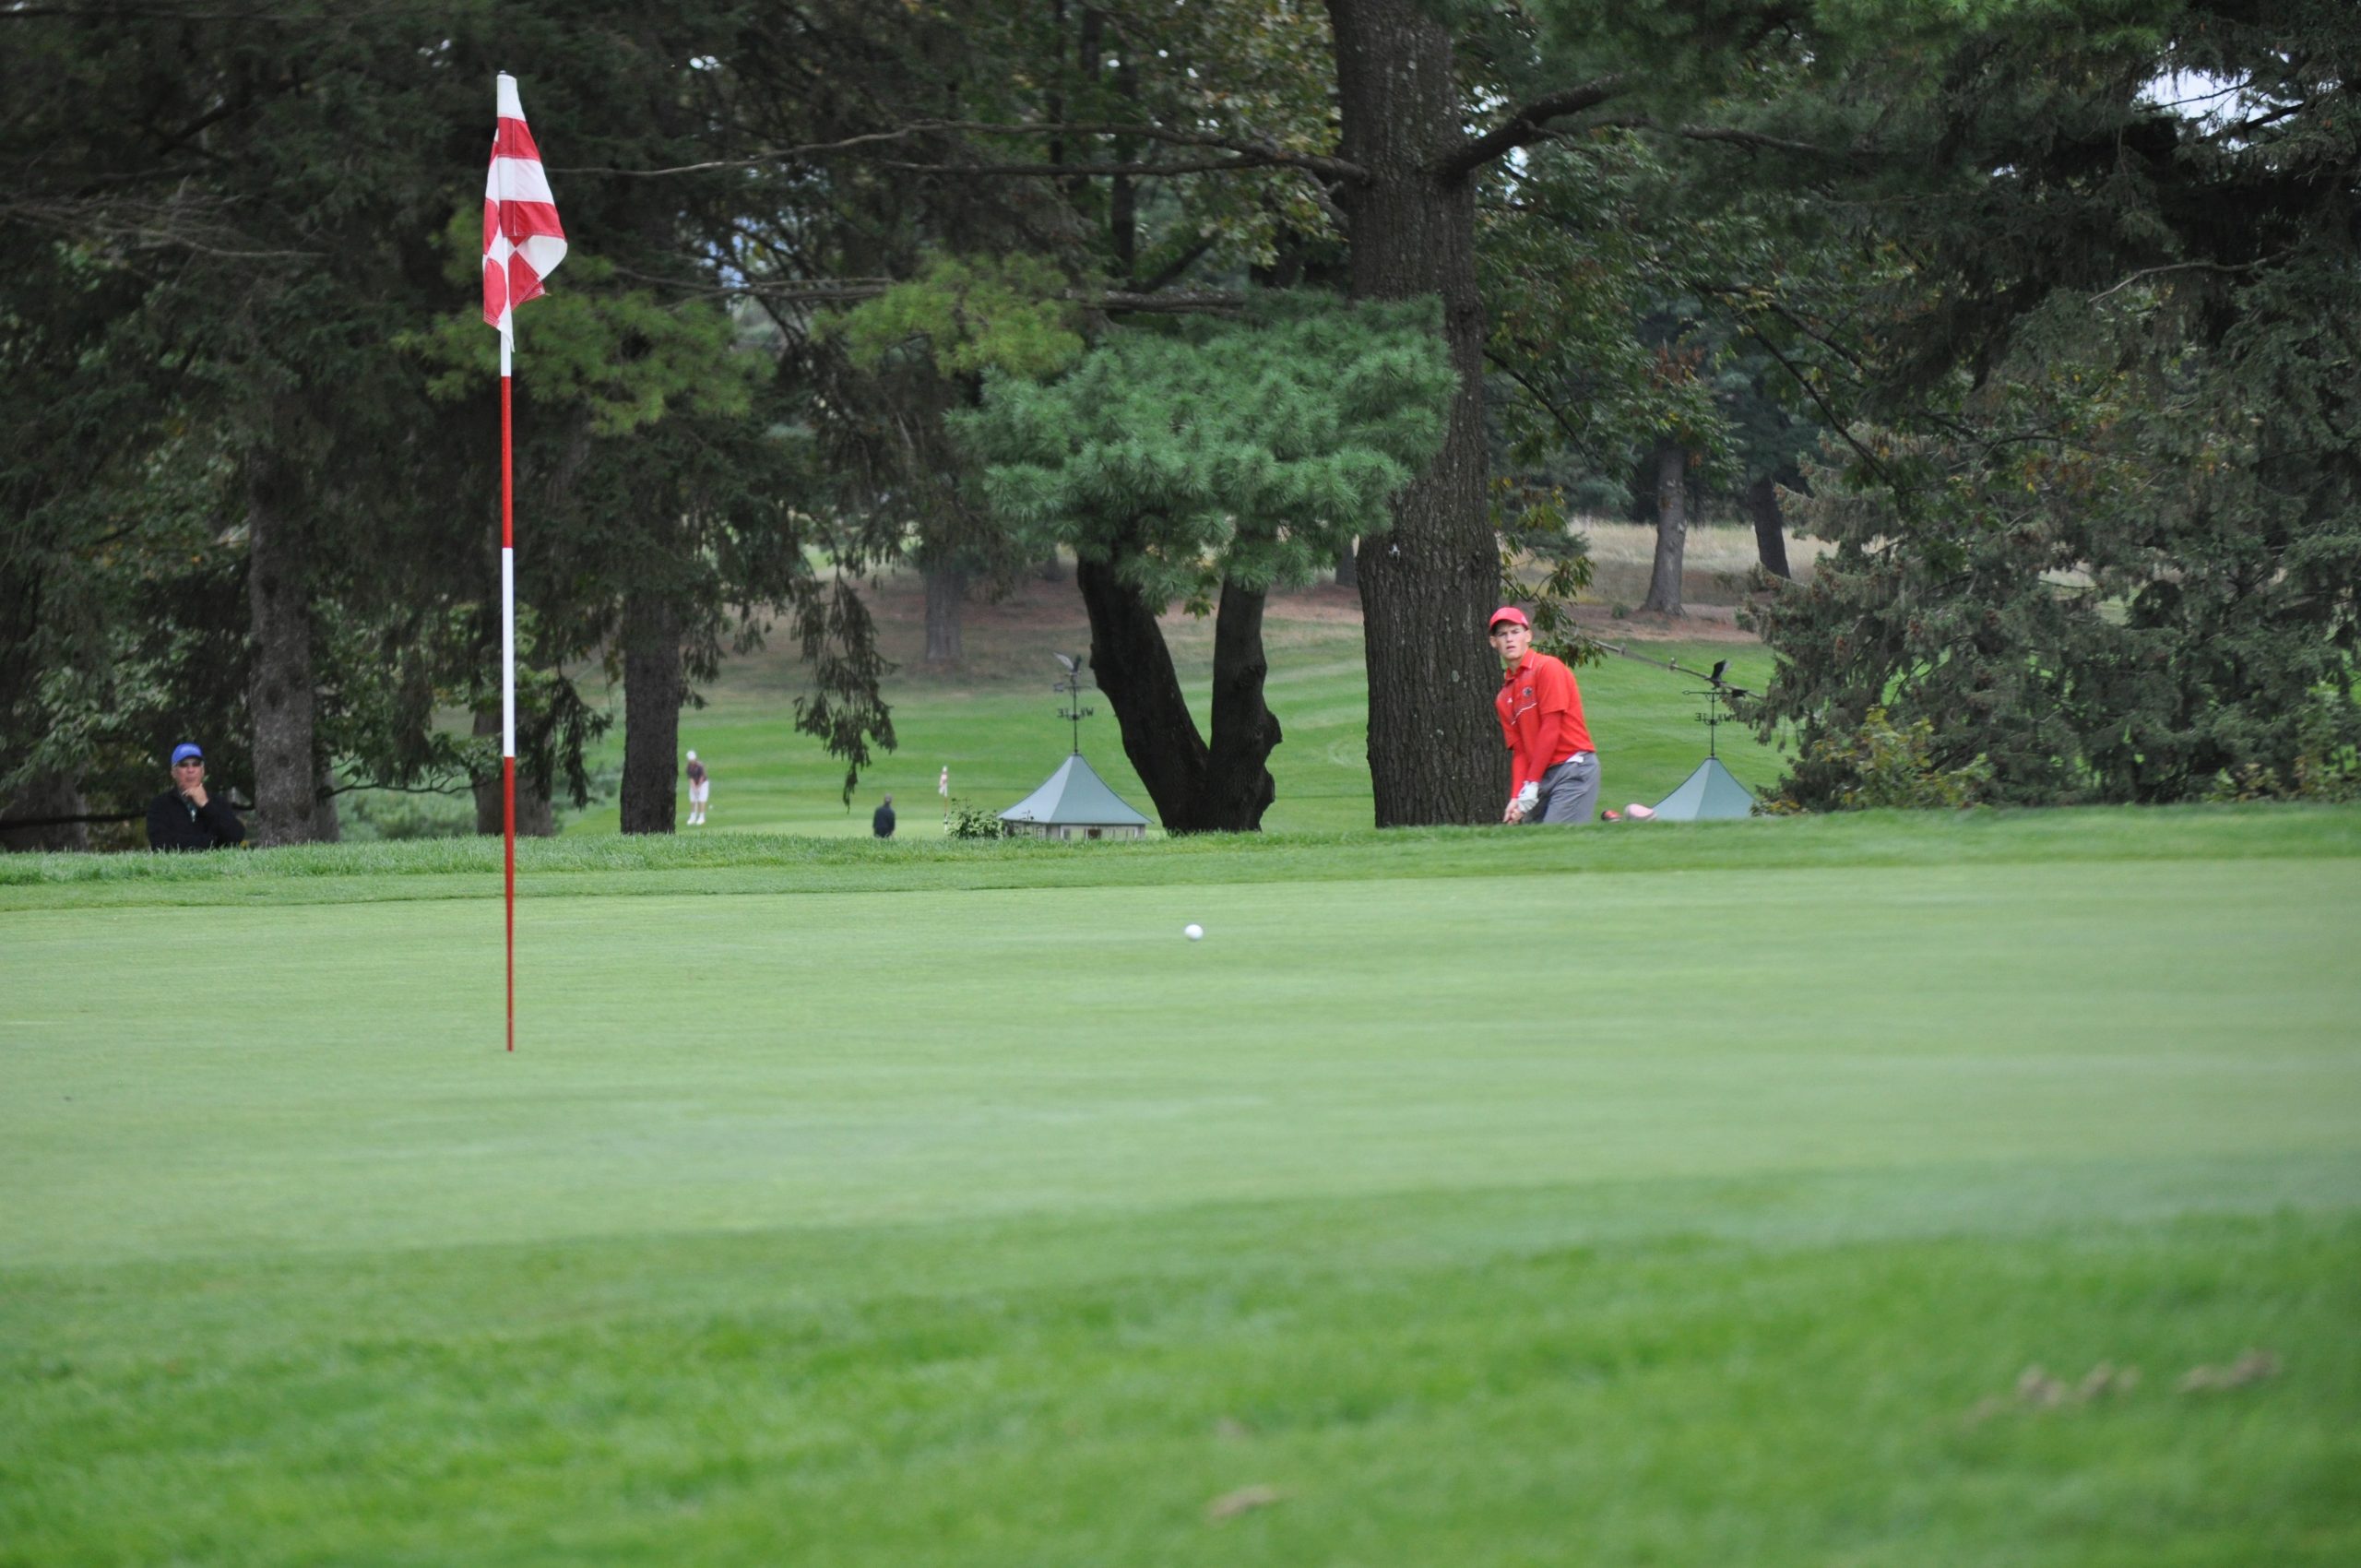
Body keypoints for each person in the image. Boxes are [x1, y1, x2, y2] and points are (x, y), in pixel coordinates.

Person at [1488, 606, 1600, 825]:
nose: (1509, 639)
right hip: (1541, 778)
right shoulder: (1504, 696)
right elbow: (1520, 751)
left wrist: (1531, 784)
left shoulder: (1547, 668)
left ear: (1528, 636)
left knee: (1557, 843)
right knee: (1535, 845)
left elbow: (1551, 727)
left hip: (1573, 768)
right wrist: (1516, 796)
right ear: (1494, 642)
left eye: (1515, 631)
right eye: (1502, 634)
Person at [147, 742, 247, 850]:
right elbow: (160, 844)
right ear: (173, 772)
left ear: (202, 771)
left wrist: (205, 805)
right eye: (184, 765)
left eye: (196, 764)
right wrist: (213, 842)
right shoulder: (160, 805)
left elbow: (236, 836)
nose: (191, 770)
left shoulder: (218, 802)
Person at [684, 750, 709, 826]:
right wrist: (694, 788)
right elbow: (691, 779)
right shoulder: (688, 768)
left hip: (703, 784)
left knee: (701, 800)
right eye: (691, 759)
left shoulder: (700, 766)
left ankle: (702, 817)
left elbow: (702, 777)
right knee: (693, 800)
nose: (692, 761)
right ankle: (693, 817)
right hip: (694, 784)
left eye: (693, 759)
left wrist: (698, 787)